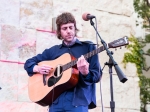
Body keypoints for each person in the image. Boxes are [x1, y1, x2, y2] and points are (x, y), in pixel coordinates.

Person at [24, 12, 102, 112]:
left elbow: (97, 75)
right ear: (59, 32)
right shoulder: (53, 51)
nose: (68, 31)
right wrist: (38, 68)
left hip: (78, 102)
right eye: (64, 28)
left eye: (71, 27)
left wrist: (85, 73)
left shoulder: (88, 48)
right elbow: (29, 63)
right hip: (56, 102)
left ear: (75, 28)